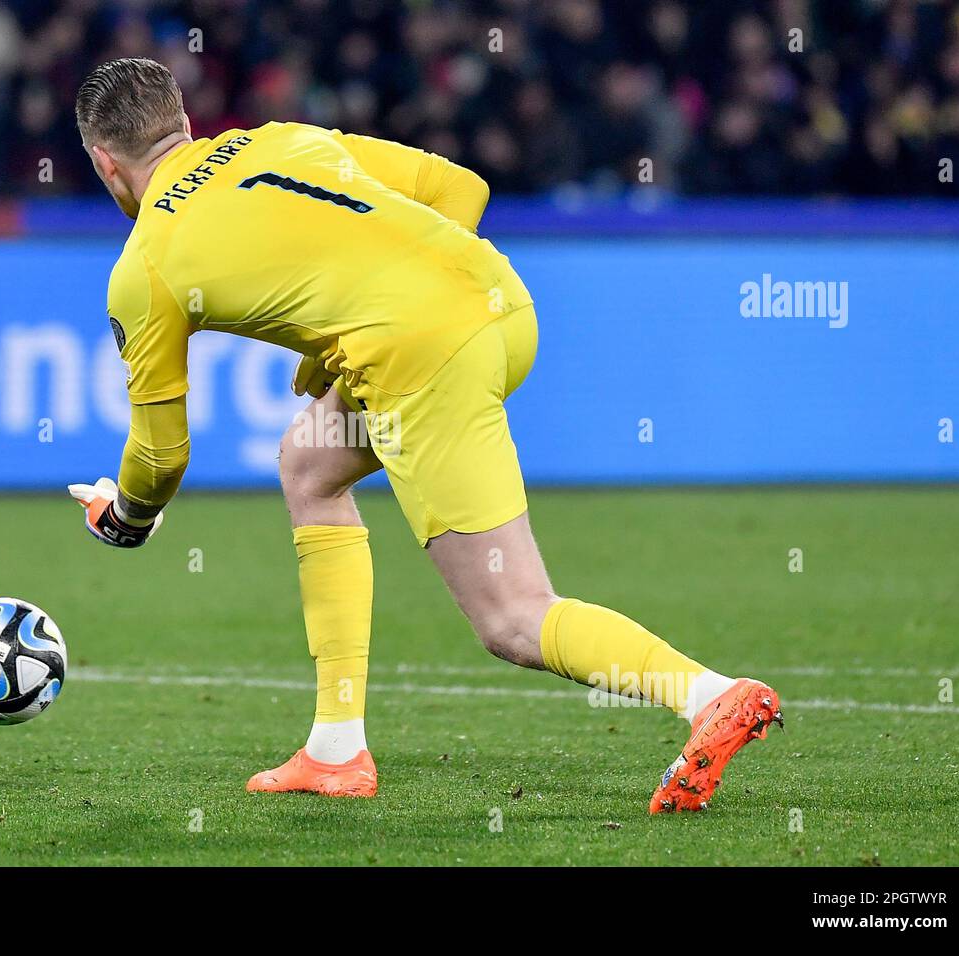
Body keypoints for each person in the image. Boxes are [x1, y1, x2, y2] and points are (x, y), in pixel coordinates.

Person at [67, 57, 781, 812]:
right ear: (184, 123)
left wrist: (126, 519)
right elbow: (459, 188)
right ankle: (335, 749)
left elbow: (159, 453)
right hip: (502, 301)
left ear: (104, 162)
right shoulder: (277, 140)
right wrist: (348, 330)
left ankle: (709, 694)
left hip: (424, 359)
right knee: (309, 465)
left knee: (513, 618)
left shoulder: (145, 264)